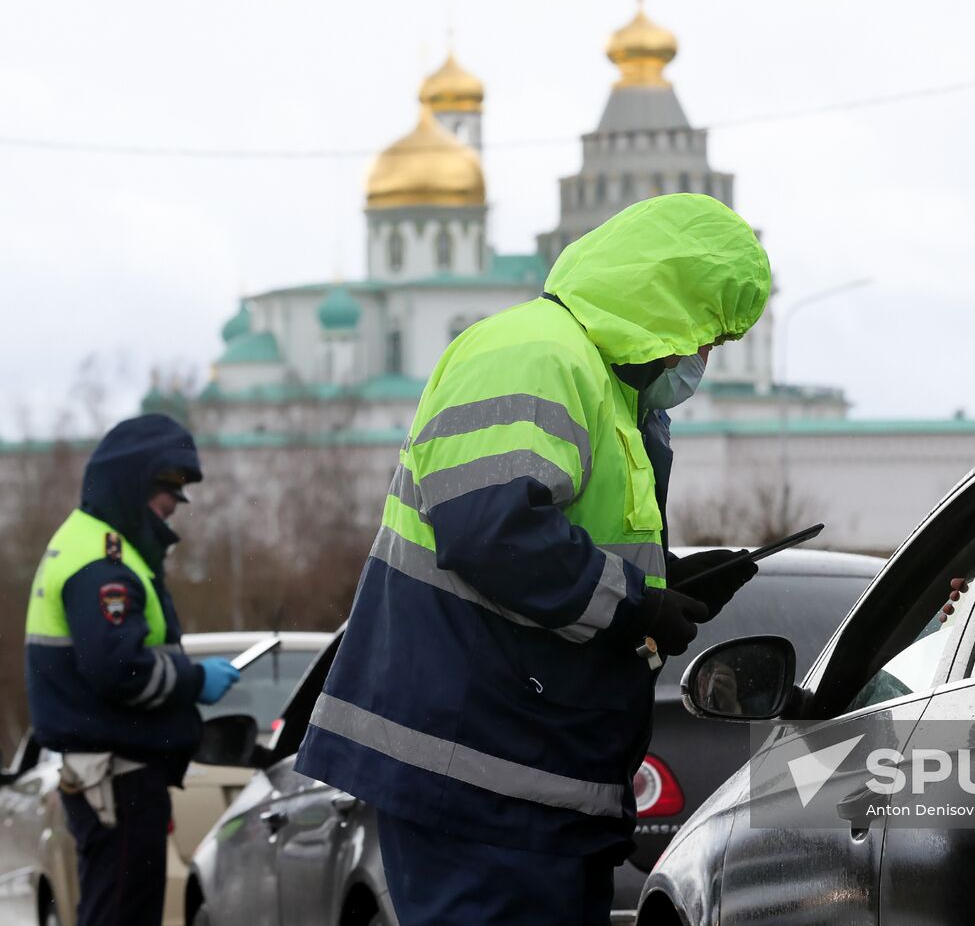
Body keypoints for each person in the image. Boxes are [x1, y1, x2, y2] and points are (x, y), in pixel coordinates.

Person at [296, 193, 771, 924]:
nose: (703, 358)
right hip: (477, 774)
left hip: (530, 776)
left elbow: (558, 535)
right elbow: (490, 528)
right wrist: (635, 604)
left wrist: (667, 579)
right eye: (707, 332)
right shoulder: (537, 353)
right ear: (666, 300)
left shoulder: (611, 389)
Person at [24, 414, 241, 926]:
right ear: (132, 481)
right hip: (118, 782)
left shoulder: (95, 546)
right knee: (120, 913)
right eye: (168, 488)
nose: (174, 505)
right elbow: (118, 670)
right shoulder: (102, 560)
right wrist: (195, 681)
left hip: (116, 777)